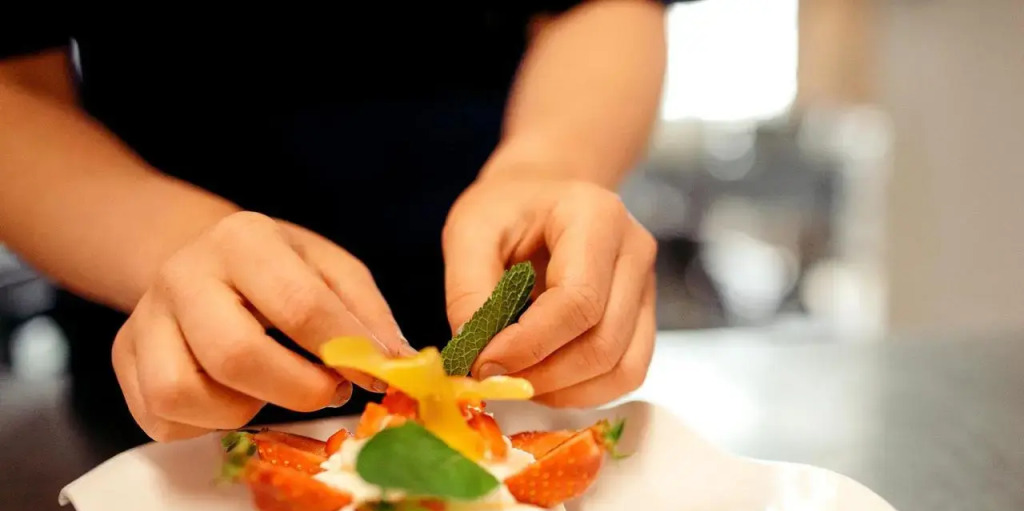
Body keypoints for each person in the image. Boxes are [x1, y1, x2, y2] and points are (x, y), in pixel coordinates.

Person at [0, 4, 681, 446]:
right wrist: (168, 243)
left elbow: (598, 6)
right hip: (165, 328)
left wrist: (544, 169)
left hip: (517, 318)